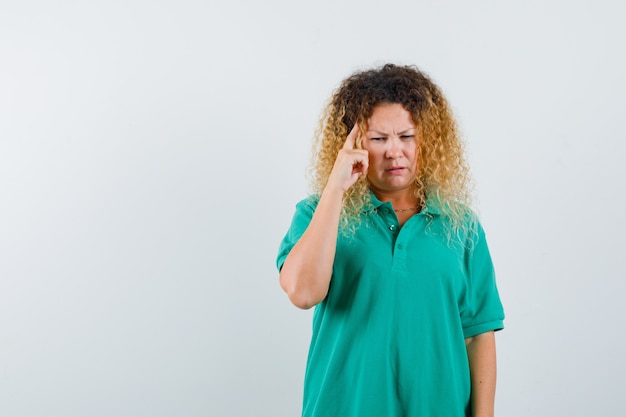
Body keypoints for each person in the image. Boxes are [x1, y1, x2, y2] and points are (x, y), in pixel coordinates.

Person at [276, 63, 505, 417]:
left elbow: (477, 336)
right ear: (352, 144)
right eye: (379, 139)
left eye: (407, 136)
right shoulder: (318, 213)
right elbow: (303, 293)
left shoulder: (461, 226)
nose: (394, 151)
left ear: (427, 140)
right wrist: (335, 189)